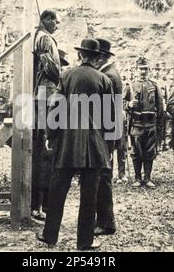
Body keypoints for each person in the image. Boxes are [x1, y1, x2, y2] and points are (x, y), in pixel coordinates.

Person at [36, 38, 115, 250]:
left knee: (57, 191)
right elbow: (110, 119)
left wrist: (50, 136)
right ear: (97, 58)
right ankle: (85, 242)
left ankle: (49, 235)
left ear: (80, 56)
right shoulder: (103, 80)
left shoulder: (67, 75)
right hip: (94, 146)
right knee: (89, 197)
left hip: (67, 144)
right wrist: (109, 147)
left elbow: (55, 108)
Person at [32, 10, 61, 221]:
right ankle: (37, 205)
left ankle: (40, 203)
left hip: (44, 93)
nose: (57, 25)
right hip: (44, 93)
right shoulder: (44, 38)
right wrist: (60, 74)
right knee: (45, 148)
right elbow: (51, 67)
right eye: (56, 22)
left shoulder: (43, 37)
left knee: (45, 149)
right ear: (47, 20)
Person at [93, 38, 122, 236]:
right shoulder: (109, 73)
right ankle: (103, 219)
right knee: (102, 176)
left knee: (103, 177)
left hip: (106, 132)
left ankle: (106, 222)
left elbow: (107, 111)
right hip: (108, 131)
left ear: (101, 57)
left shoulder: (108, 76)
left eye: (95, 56)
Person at [124, 57, 164, 189]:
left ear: (149, 70)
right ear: (136, 70)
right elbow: (121, 103)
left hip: (151, 124)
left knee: (150, 151)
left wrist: (160, 126)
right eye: (141, 69)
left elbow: (160, 107)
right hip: (136, 124)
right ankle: (137, 178)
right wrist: (129, 104)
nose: (143, 72)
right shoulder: (130, 85)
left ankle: (147, 178)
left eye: (145, 69)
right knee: (136, 152)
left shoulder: (154, 85)